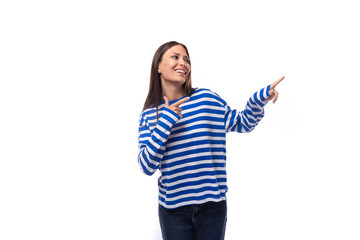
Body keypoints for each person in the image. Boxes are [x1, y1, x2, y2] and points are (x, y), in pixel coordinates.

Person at [137, 41, 284, 240]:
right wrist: (165, 122)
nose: (183, 63)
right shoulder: (149, 115)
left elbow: (242, 123)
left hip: (212, 209)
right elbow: (147, 166)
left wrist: (258, 101)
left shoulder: (206, 99)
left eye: (186, 59)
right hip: (173, 212)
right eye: (175, 57)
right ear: (159, 67)